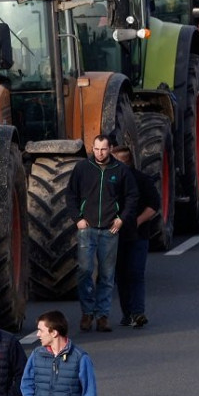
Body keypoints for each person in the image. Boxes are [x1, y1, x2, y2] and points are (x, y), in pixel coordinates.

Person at [68, 134, 138, 333]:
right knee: (85, 271)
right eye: (96, 149)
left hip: (110, 230)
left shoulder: (121, 171)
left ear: (111, 149)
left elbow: (132, 197)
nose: (99, 153)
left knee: (107, 275)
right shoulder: (82, 168)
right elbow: (71, 195)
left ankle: (103, 316)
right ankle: (87, 312)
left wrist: (122, 218)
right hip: (86, 229)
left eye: (104, 149)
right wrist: (77, 218)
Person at [112, 145, 159, 329]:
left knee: (136, 273)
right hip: (117, 237)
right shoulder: (110, 181)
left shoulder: (142, 180)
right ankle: (127, 313)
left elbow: (153, 205)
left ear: (127, 162)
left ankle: (138, 312)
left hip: (138, 236)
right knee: (121, 275)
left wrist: (137, 221)